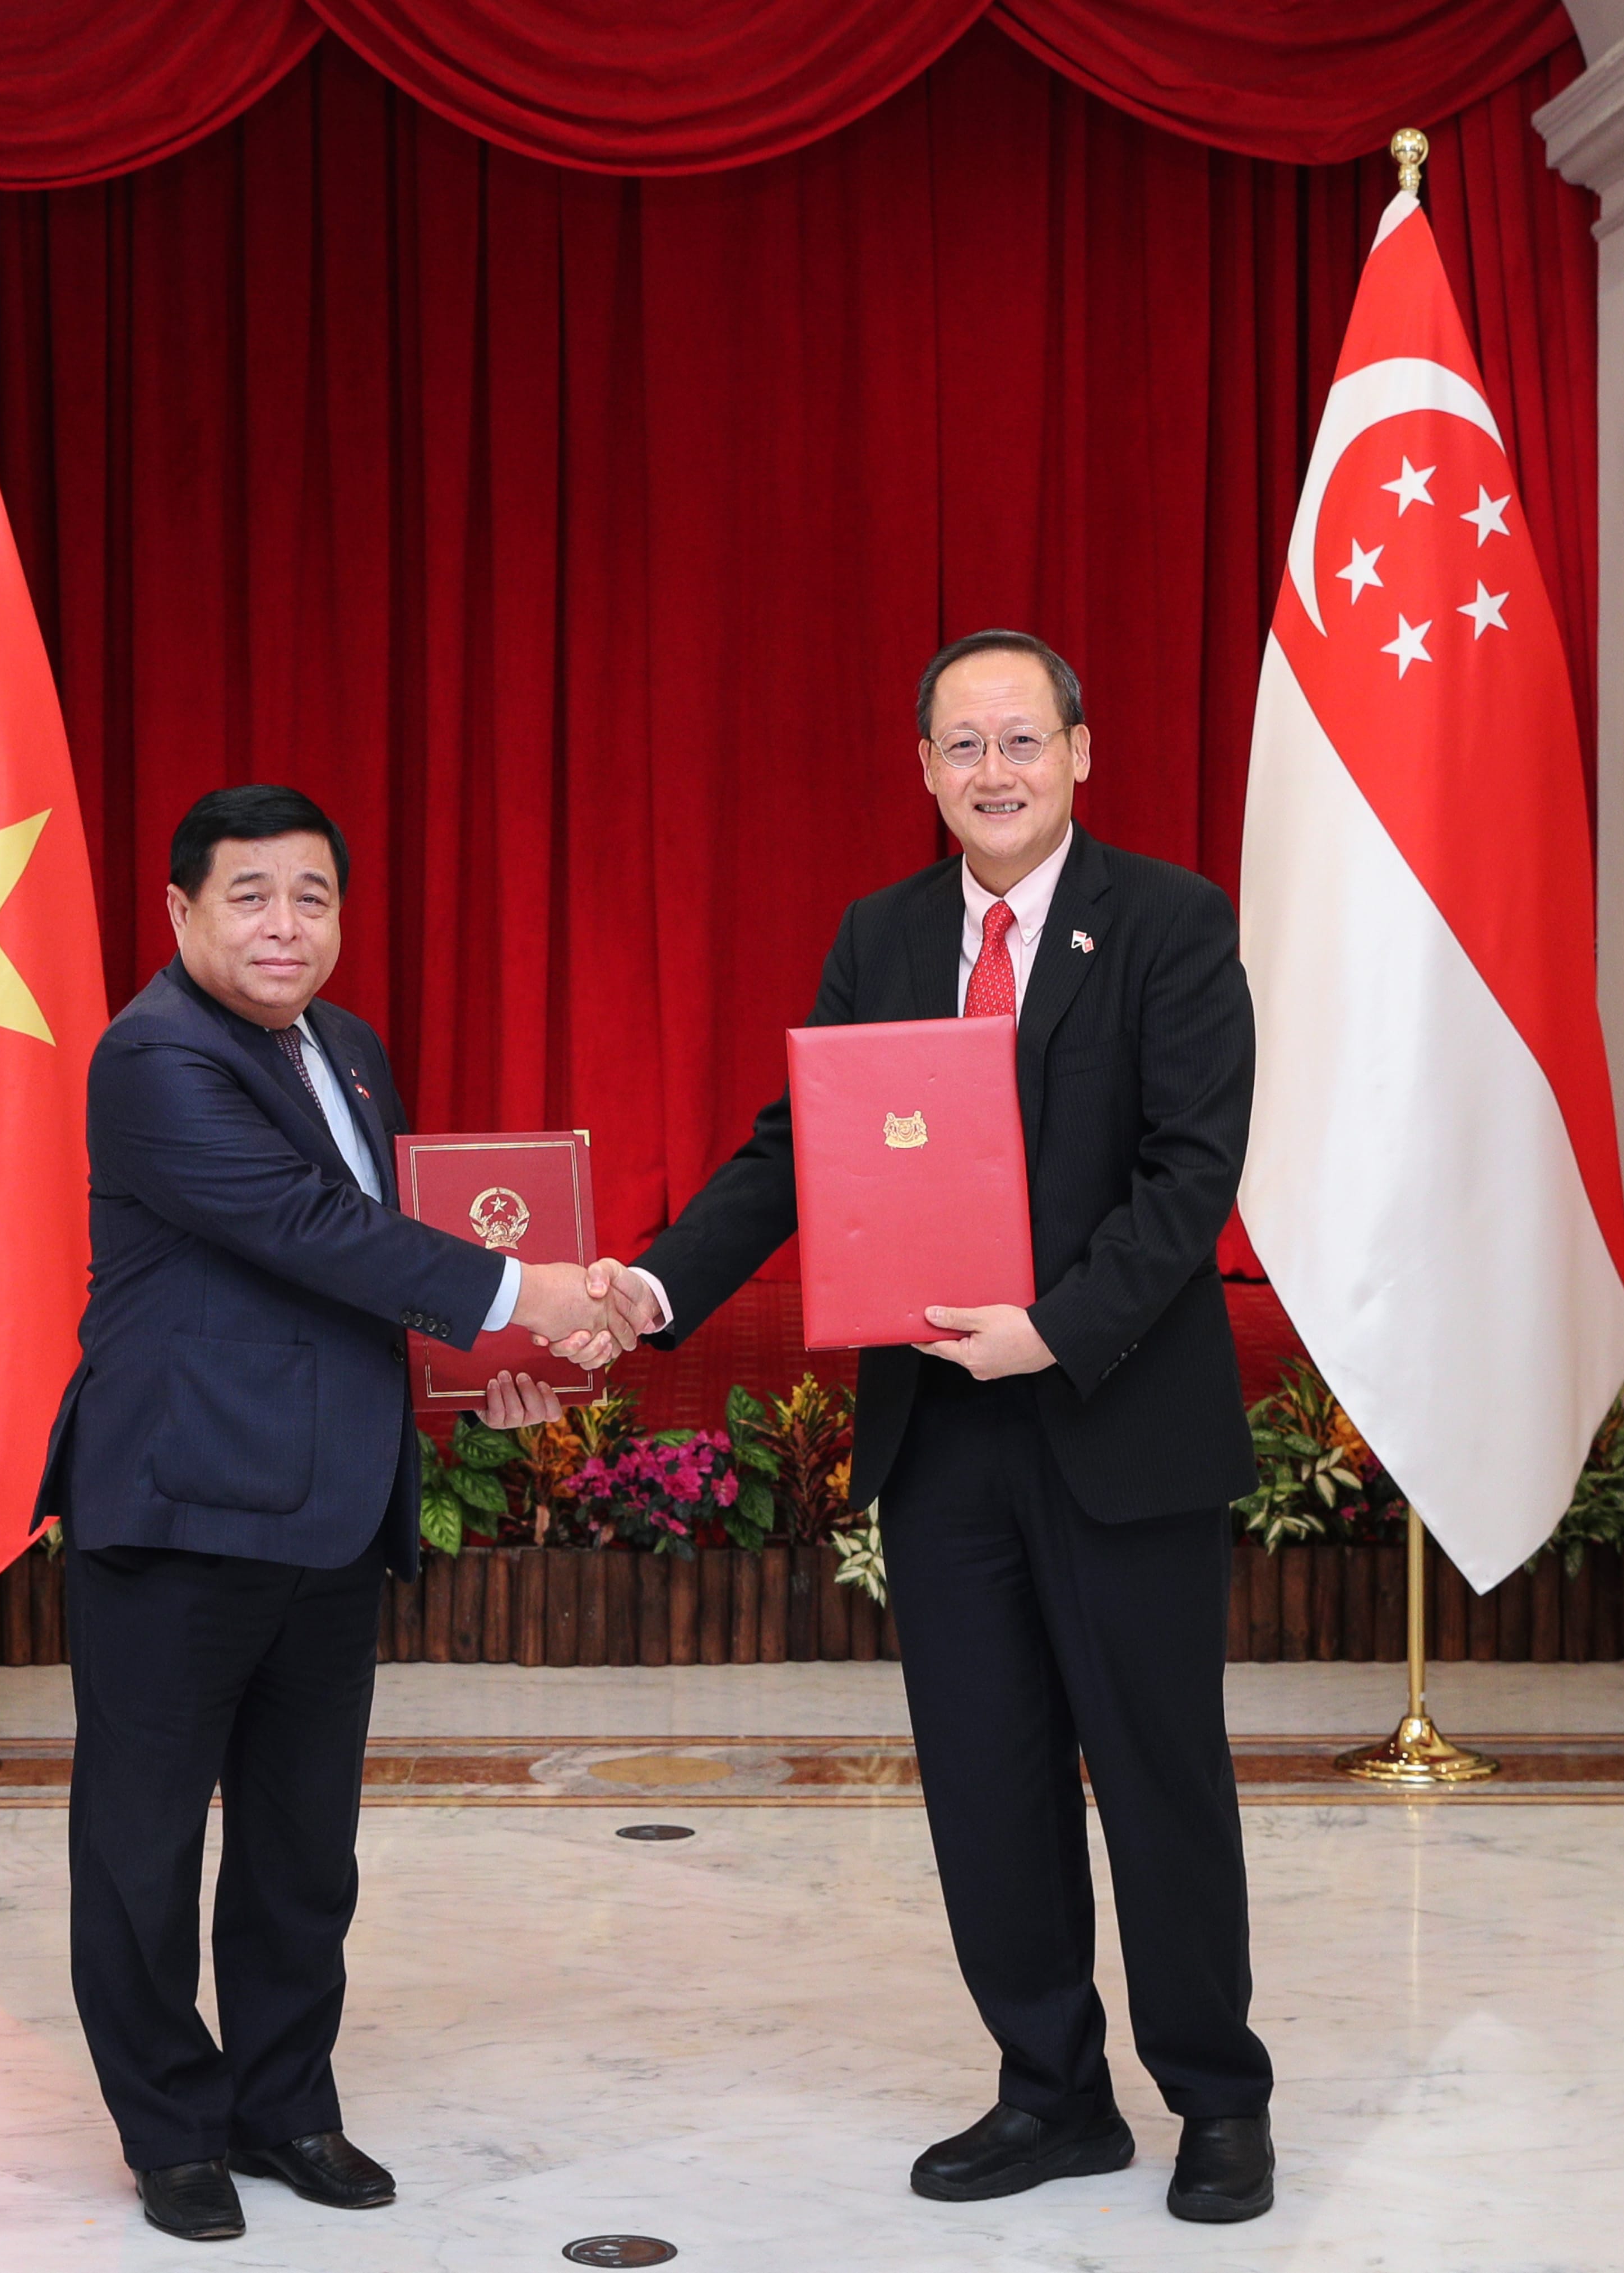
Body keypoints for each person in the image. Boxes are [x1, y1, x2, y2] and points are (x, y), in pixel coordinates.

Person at [589, 631, 1277, 2227]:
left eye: (1021, 740)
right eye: (962, 746)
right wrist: (655, 1281)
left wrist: (1057, 1327)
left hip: (1115, 1420)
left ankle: (1217, 2098)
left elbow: (1192, 1173)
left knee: (1158, 1773)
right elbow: (792, 1151)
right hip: (942, 1439)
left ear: (1081, 752)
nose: (994, 771)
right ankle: (1050, 2092)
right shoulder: (882, 935)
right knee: (986, 1776)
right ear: (922, 770)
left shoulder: (1171, 923)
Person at [36, 783, 638, 2243]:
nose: (283, 924)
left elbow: (373, 1267)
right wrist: (535, 1298)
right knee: (145, 1847)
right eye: (248, 895)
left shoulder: (350, 1052)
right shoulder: (153, 1056)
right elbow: (310, 1228)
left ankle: (286, 2103)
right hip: (181, 1509)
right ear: (180, 912)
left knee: (306, 1845)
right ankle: (171, 2128)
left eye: (311, 895)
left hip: (329, 1509)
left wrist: (480, 1381)